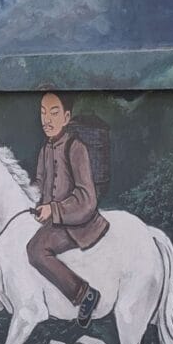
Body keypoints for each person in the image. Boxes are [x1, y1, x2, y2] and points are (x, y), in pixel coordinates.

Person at [26, 91, 109, 329]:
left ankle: (84, 294)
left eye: (54, 113)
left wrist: (53, 210)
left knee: (36, 249)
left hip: (78, 224)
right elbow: (40, 185)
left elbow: (87, 198)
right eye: (43, 113)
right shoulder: (45, 149)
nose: (47, 119)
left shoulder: (76, 148)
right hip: (54, 220)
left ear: (66, 117)